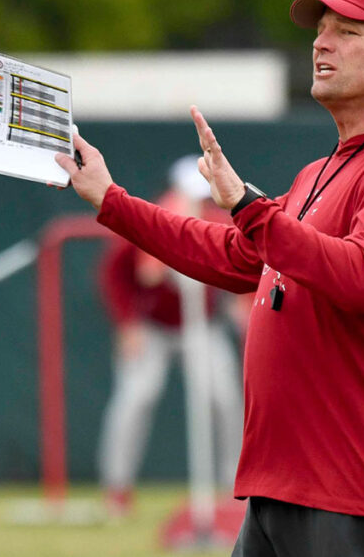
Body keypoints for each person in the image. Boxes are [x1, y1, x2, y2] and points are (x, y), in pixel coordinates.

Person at [55, 0, 364, 555]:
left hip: (361, 493)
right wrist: (111, 200)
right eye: (320, 31)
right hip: (285, 491)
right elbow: (235, 255)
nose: (322, 44)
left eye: (347, 32)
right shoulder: (319, 171)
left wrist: (250, 208)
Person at [97, 156, 244, 517]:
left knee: (223, 399)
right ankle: (117, 490)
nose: (196, 206)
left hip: (204, 327)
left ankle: (236, 492)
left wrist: (242, 304)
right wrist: (127, 323)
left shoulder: (218, 221)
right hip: (153, 328)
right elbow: (116, 274)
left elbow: (244, 261)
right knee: (135, 398)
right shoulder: (145, 221)